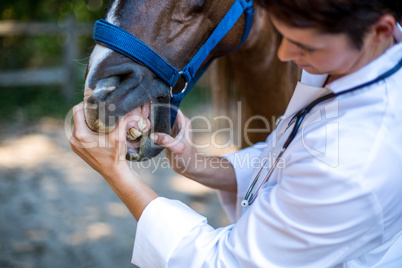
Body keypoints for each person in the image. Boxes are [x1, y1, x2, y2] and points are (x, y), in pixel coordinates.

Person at [70, 0, 402, 267]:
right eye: (282, 35)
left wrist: (116, 174)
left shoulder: (360, 159)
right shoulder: (359, 64)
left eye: (304, 46)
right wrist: (197, 165)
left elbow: (221, 262)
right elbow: (295, 157)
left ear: (380, 30)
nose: (284, 54)